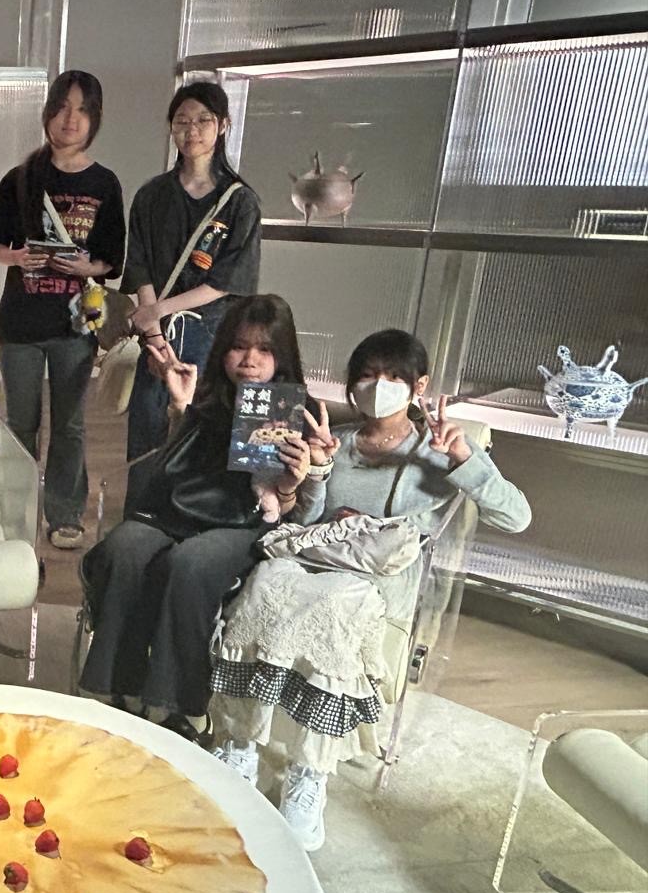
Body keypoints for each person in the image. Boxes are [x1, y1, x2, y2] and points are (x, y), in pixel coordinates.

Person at [209, 328, 531, 850]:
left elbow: (516, 517)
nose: (377, 386)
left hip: (378, 581)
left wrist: (463, 461)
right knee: (265, 583)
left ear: (419, 385)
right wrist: (318, 472)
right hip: (317, 559)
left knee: (338, 605)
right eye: (366, 375)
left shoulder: (439, 448)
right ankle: (238, 743)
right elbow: (306, 522)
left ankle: (309, 775)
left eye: (392, 377)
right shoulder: (337, 438)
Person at [79, 294, 309, 742]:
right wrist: (181, 409)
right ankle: (116, 684)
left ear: (281, 355)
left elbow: (292, 510)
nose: (249, 360)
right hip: (177, 511)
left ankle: (179, 701)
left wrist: (292, 481)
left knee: (191, 563)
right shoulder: (207, 397)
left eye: (264, 349)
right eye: (239, 346)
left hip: (241, 523)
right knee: (124, 548)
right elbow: (175, 467)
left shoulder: (297, 411)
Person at [0, 70, 125, 551]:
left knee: (69, 424)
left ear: (95, 119)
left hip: (75, 324)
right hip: (20, 321)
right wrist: (17, 257)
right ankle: (16, 512)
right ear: (48, 112)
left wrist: (87, 266)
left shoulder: (104, 183)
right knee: (20, 423)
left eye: (82, 110)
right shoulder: (21, 178)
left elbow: (112, 259)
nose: (70, 119)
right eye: (62, 107)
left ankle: (65, 515)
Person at [123, 81, 262, 462]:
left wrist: (157, 311)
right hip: (158, 334)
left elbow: (230, 280)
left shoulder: (240, 202)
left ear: (223, 125)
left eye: (203, 120)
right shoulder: (151, 195)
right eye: (182, 121)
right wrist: (154, 334)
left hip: (213, 332)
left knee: (203, 429)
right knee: (147, 430)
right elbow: (140, 266)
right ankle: (143, 498)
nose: (192, 130)